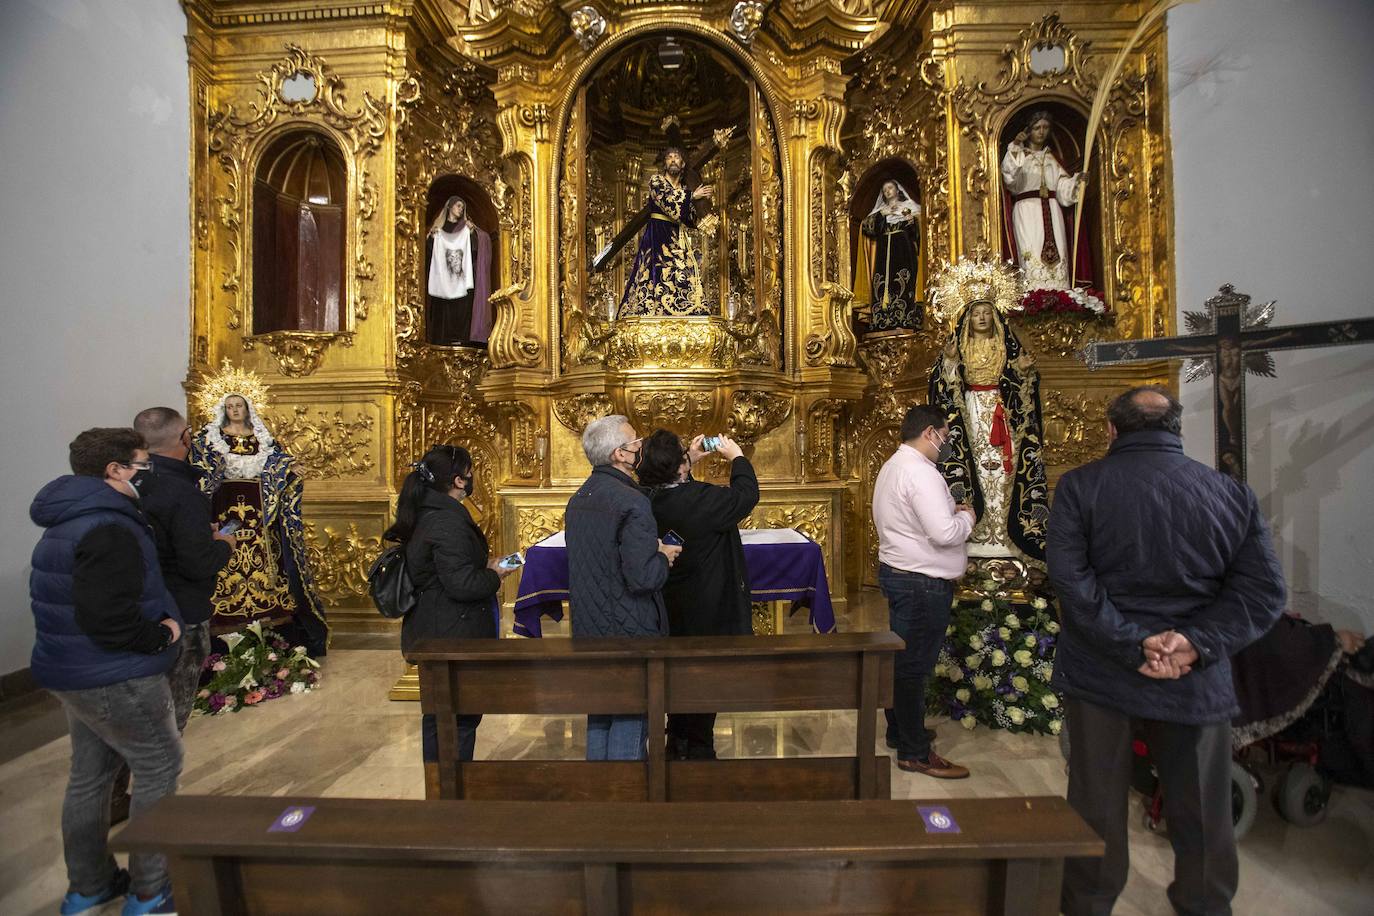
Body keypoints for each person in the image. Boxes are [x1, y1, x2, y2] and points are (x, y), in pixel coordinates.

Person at [1048, 386, 1286, 916]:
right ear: (1176, 429)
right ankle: (1205, 905)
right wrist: (1196, 642)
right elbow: (1264, 592)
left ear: (1111, 430)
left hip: (1102, 672)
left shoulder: (1081, 486)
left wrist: (1132, 643)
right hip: (1193, 675)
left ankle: (1088, 903)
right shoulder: (1230, 494)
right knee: (1202, 805)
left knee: (1096, 801)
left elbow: (1072, 582)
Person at [30, 428, 183, 916]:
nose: (147, 472)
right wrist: (160, 635)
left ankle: (90, 886)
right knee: (158, 766)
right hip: (115, 672)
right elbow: (109, 616)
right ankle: (150, 892)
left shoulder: (70, 516)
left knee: (90, 777)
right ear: (116, 470)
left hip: (74, 668)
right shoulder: (108, 526)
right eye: (142, 463)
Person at [385, 445, 513, 763]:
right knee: (457, 718)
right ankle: (451, 786)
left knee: (442, 715)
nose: (472, 478)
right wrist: (494, 574)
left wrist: (483, 566)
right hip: (453, 633)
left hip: (440, 627)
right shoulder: (446, 521)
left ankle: (443, 783)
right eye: (470, 473)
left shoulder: (431, 513)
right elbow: (462, 585)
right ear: (458, 480)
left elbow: (448, 571)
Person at [636, 430, 759, 759]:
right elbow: (746, 495)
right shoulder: (702, 499)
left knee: (676, 677)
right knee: (703, 681)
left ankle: (677, 741)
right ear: (678, 468)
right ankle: (698, 750)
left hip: (666, 603)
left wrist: (686, 461)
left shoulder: (643, 497)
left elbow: (671, 487)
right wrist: (737, 457)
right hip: (707, 605)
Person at [566, 415, 681, 759]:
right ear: (620, 453)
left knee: (600, 712)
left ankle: (600, 789)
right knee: (632, 714)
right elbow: (643, 577)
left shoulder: (580, 497)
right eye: (636, 443)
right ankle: (625, 791)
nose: (641, 447)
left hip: (590, 627)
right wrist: (662, 556)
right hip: (630, 629)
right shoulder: (632, 501)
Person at [871, 405, 975, 779]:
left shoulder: (895, 465)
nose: (946, 443)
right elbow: (944, 533)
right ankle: (914, 752)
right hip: (921, 583)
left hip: (905, 576)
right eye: (944, 435)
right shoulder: (920, 472)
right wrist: (966, 517)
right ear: (929, 433)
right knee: (913, 669)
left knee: (904, 663)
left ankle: (901, 731)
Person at [189, 388, 329, 655]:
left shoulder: (262, 437)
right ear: (223, 410)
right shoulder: (211, 437)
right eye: (230, 406)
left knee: (266, 557)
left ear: (247, 408)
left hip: (261, 510)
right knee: (226, 555)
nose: (234, 410)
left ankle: (270, 611)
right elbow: (200, 468)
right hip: (224, 506)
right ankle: (225, 614)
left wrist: (289, 467)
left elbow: (277, 461)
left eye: (239, 405)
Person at [132, 407, 237, 729]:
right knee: (167, 721)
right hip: (181, 612)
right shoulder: (181, 492)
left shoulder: (128, 484)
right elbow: (198, 563)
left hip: (138, 610)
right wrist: (223, 544)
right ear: (185, 438)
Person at [928, 296, 1049, 562]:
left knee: (1004, 471)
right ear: (968, 320)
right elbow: (940, 385)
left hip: (1001, 414)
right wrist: (950, 361)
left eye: (986, 313)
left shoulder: (1006, 345)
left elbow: (1022, 385)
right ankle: (975, 537)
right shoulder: (958, 347)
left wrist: (1023, 371)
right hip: (970, 415)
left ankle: (1005, 537)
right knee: (976, 469)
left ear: (994, 318)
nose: (981, 318)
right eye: (976, 314)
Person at [618, 147, 714, 317]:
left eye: (677, 157)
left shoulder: (685, 188)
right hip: (657, 237)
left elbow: (689, 219)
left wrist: (704, 205)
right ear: (665, 163)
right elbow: (668, 203)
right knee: (654, 275)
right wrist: (692, 196)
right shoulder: (656, 182)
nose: (673, 160)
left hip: (677, 238)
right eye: (669, 157)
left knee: (683, 274)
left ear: (682, 164)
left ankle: (684, 311)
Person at [1000, 109, 1089, 290]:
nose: (1041, 132)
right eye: (1037, 128)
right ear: (1028, 130)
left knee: (1059, 254)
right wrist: (1016, 146)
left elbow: (1063, 192)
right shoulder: (1020, 156)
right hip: (1028, 212)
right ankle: (1033, 295)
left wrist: (1076, 181)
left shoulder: (1053, 159)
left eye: (1045, 127)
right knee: (1030, 251)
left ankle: (1061, 295)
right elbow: (1009, 178)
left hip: (1053, 212)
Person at [855, 179, 922, 331]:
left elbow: (917, 235)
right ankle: (882, 320)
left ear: (898, 190)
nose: (887, 191)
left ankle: (905, 319)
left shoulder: (909, 207)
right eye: (885, 190)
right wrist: (882, 215)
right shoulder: (881, 211)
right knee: (881, 283)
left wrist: (911, 221)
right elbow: (867, 228)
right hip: (883, 251)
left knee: (904, 281)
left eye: (890, 188)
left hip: (903, 250)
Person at [426, 195, 494, 346]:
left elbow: (477, 247)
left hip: (461, 278)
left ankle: (461, 339)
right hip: (443, 279)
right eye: (458, 206)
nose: (461, 209)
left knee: (462, 306)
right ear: (449, 207)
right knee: (442, 307)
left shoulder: (465, 228)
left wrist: (473, 233)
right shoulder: (439, 229)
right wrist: (432, 237)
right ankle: (441, 340)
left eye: (462, 207)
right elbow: (430, 252)